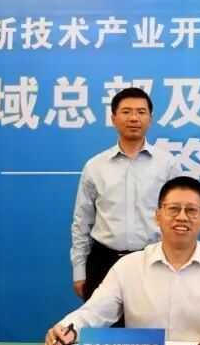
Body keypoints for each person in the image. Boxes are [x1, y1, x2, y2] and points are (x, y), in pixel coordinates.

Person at [46, 177, 200, 345]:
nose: (182, 217)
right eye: (173, 209)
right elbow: (92, 314)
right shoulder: (129, 266)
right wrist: (67, 328)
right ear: (158, 216)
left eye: (192, 210)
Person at [70, 88, 180, 306]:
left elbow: (177, 216)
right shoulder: (95, 166)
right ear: (113, 118)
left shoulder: (167, 164)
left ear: (150, 119)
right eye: (126, 111)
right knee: (103, 326)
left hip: (153, 260)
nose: (134, 118)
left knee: (153, 324)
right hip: (104, 261)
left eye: (141, 112)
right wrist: (79, 270)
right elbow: (82, 222)